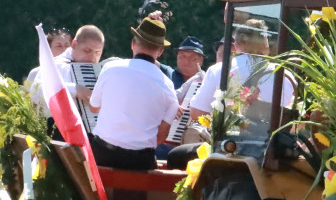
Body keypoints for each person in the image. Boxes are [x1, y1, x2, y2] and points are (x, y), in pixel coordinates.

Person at [89, 15, 179, 171]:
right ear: (161, 51)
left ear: (133, 44)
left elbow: (94, 107)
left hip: (102, 155)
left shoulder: (111, 68)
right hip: (140, 162)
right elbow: (162, 136)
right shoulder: (168, 86)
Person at [188, 20, 270, 122]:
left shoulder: (218, 70)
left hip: (228, 137)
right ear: (265, 45)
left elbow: (197, 112)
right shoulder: (284, 73)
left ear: (237, 45)